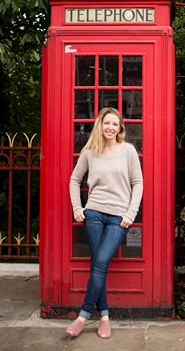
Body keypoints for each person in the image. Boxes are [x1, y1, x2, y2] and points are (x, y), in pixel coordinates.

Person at [65, 107, 143, 339]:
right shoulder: (90, 151)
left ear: (120, 128)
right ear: (100, 125)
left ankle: (83, 315)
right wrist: (77, 207)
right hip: (95, 214)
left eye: (114, 124)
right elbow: (74, 179)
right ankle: (105, 317)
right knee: (98, 265)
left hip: (119, 216)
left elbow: (137, 182)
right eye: (106, 123)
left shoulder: (128, 150)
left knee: (99, 262)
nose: (110, 127)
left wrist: (131, 212)